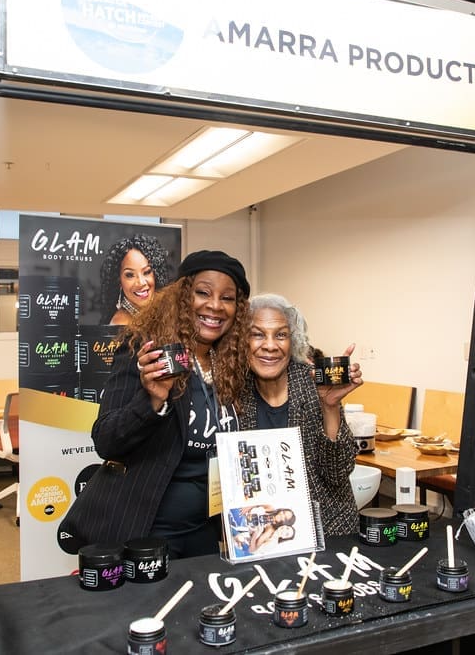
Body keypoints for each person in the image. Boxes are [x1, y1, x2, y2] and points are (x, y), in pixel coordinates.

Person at [59, 250, 251, 558]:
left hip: (206, 531)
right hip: (147, 531)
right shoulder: (145, 350)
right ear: (182, 297)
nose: (215, 306)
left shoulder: (234, 364)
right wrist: (152, 400)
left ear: (238, 310)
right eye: (203, 292)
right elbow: (106, 440)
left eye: (227, 298)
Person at [238, 293, 362, 537]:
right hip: (262, 534)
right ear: (242, 340)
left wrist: (330, 407)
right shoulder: (232, 390)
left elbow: (337, 473)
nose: (270, 345)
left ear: (292, 341)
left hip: (329, 529)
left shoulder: (313, 382)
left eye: (281, 335)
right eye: (257, 334)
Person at [97, 234, 172, 325]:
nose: (141, 282)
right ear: (119, 281)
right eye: (130, 275)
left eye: (147, 272)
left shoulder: (163, 312)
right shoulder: (121, 322)